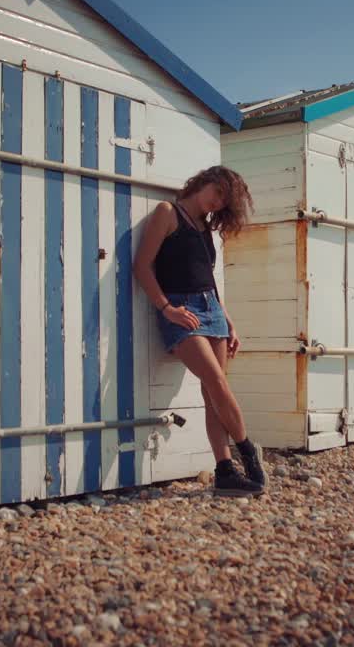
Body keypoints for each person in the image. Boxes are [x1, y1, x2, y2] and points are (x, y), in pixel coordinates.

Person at [132, 166, 266, 497]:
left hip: (212, 311)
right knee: (217, 382)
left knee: (212, 393)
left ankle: (224, 471)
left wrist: (228, 319)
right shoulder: (168, 213)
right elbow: (142, 266)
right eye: (217, 193)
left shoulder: (205, 228)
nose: (218, 203)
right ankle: (248, 451)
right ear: (204, 182)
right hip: (183, 311)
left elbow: (206, 278)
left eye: (225, 201)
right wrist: (167, 309)